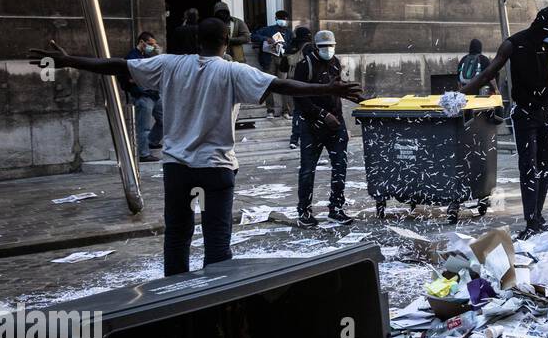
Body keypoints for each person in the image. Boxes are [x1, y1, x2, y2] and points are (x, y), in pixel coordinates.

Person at [29, 20, 363, 276]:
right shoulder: (233, 70)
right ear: (225, 42)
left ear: (198, 41)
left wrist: (69, 59)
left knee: (177, 236)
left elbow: (116, 65)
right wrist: (332, 87)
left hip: (177, 168)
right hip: (216, 168)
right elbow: (280, 85)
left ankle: (176, 297)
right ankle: (214, 301)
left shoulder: (170, 64)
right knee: (217, 241)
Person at [461, 8, 548, 240]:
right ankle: (530, 221)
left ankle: (538, 216)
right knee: (528, 167)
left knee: (547, 165)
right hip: (524, 114)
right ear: (541, 28)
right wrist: (460, 94)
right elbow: (488, 73)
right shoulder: (513, 44)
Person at [293, 30, 352, 227]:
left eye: (331, 46)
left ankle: (336, 208)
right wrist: (321, 115)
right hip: (312, 125)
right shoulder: (304, 66)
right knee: (308, 169)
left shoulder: (335, 62)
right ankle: (304, 211)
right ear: (316, 47)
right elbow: (300, 97)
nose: (328, 50)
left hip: (335, 123)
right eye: (324, 47)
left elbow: (336, 91)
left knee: (340, 167)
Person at [124, 31, 164, 162]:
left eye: (154, 44)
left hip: (153, 93)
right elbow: (130, 79)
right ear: (142, 42)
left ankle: (153, 141)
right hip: (142, 95)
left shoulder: (147, 55)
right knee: (143, 126)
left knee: (165, 119)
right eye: (150, 44)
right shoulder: (132, 56)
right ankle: (143, 153)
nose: (152, 46)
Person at [251, 11, 293, 117]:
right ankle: (270, 110)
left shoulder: (289, 32)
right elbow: (254, 36)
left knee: (285, 85)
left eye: (285, 18)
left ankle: (286, 111)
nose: (283, 20)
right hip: (269, 59)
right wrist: (266, 39)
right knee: (269, 84)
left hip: (283, 60)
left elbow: (292, 46)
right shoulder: (268, 29)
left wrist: (284, 46)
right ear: (276, 18)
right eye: (281, 18)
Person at [288, 26, 314, 148]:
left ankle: (294, 138)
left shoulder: (290, 47)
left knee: (297, 111)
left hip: (293, 83)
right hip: (307, 83)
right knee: (310, 108)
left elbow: (283, 67)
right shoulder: (310, 48)